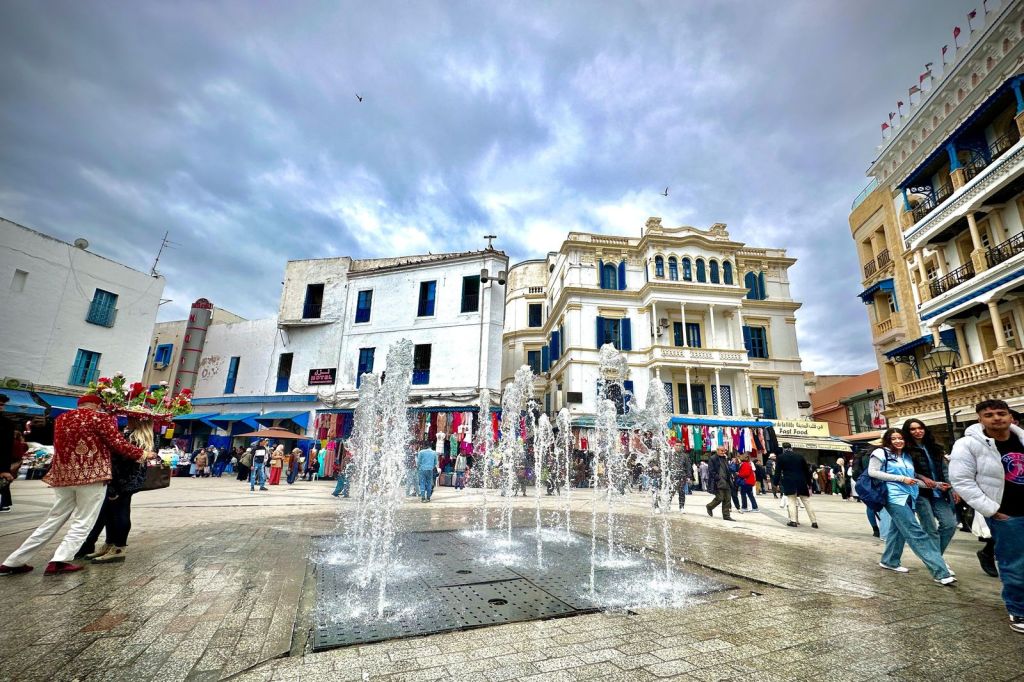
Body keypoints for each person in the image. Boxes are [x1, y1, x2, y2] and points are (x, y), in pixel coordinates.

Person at [0, 394, 149, 576]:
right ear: (97, 405)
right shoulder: (101, 418)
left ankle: (14, 561)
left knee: (53, 519)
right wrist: (144, 454)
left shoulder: (62, 418)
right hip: (91, 475)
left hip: (63, 476)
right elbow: (117, 444)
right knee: (84, 520)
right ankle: (60, 560)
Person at [949, 399, 1024, 633]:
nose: (996, 418)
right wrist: (992, 510)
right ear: (980, 419)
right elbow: (962, 480)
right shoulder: (968, 444)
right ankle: (1018, 610)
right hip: (1007, 513)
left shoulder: (1021, 438)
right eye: (989, 415)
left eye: (1001, 413)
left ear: (1011, 416)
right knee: (1015, 564)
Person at [870, 428, 955, 585]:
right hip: (893, 497)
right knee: (916, 532)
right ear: (888, 440)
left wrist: (936, 485)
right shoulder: (881, 453)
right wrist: (901, 478)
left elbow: (912, 480)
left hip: (910, 497)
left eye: (900, 438)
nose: (898, 441)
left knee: (898, 531)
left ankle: (890, 560)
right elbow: (873, 472)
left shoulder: (907, 456)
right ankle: (940, 572)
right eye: (894, 438)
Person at [76, 450, 149, 564]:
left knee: (120, 512)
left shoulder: (133, 439)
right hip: (125, 480)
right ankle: (110, 545)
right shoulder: (139, 438)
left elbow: (123, 465)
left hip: (121, 481)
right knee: (109, 512)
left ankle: (118, 548)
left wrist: (115, 488)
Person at [902, 419, 956, 559]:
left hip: (939, 491)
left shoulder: (934, 447)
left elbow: (945, 469)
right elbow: (905, 471)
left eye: (920, 428)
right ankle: (938, 563)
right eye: (913, 429)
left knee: (950, 525)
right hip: (919, 492)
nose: (917, 431)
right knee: (930, 529)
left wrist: (952, 488)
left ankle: (935, 557)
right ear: (908, 432)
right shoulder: (905, 450)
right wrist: (922, 478)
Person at [774, 443, 819, 529]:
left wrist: (775, 484)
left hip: (789, 481)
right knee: (806, 501)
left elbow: (778, 472)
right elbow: (806, 471)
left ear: (783, 448)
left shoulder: (781, 457)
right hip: (801, 481)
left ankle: (793, 521)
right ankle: (814, 522)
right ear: (791, 448)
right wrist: (809, 483)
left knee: (791, 501)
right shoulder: (799, 456)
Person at [705, 446, 734, 521]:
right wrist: (717, 477)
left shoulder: (725, 458)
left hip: (726, 481)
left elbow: (727, 469)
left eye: (724, 451)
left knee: (727, 499)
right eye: (721, 450)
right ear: (717, 450)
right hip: (718, 482)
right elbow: (711, 471)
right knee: (720, 498)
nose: (723, 452)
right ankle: (709, 506)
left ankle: (726, 515)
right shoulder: (713, 458)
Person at [0, 395, 15, 512]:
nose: (1, 406)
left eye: (2, 404)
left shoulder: (6, 424)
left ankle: (4, 503)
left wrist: (5, 469)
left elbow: (6, 447)